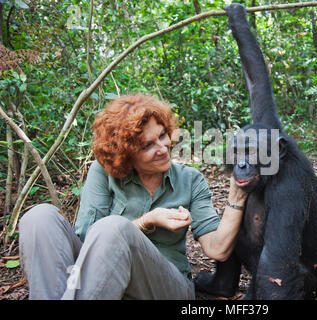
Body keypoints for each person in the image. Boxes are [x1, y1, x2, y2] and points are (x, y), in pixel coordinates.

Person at [18, 93, 248, 300]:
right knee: (39, 217)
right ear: (126, 154)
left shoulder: (190, 180)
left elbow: (217, 249)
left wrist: (237, 194)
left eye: (162, 135)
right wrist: (146, 221)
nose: (163, 148)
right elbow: (87, 237)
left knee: (113, 228)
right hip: (98, 279)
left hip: (165, 286)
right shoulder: (103, 172)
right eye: (148, 145)